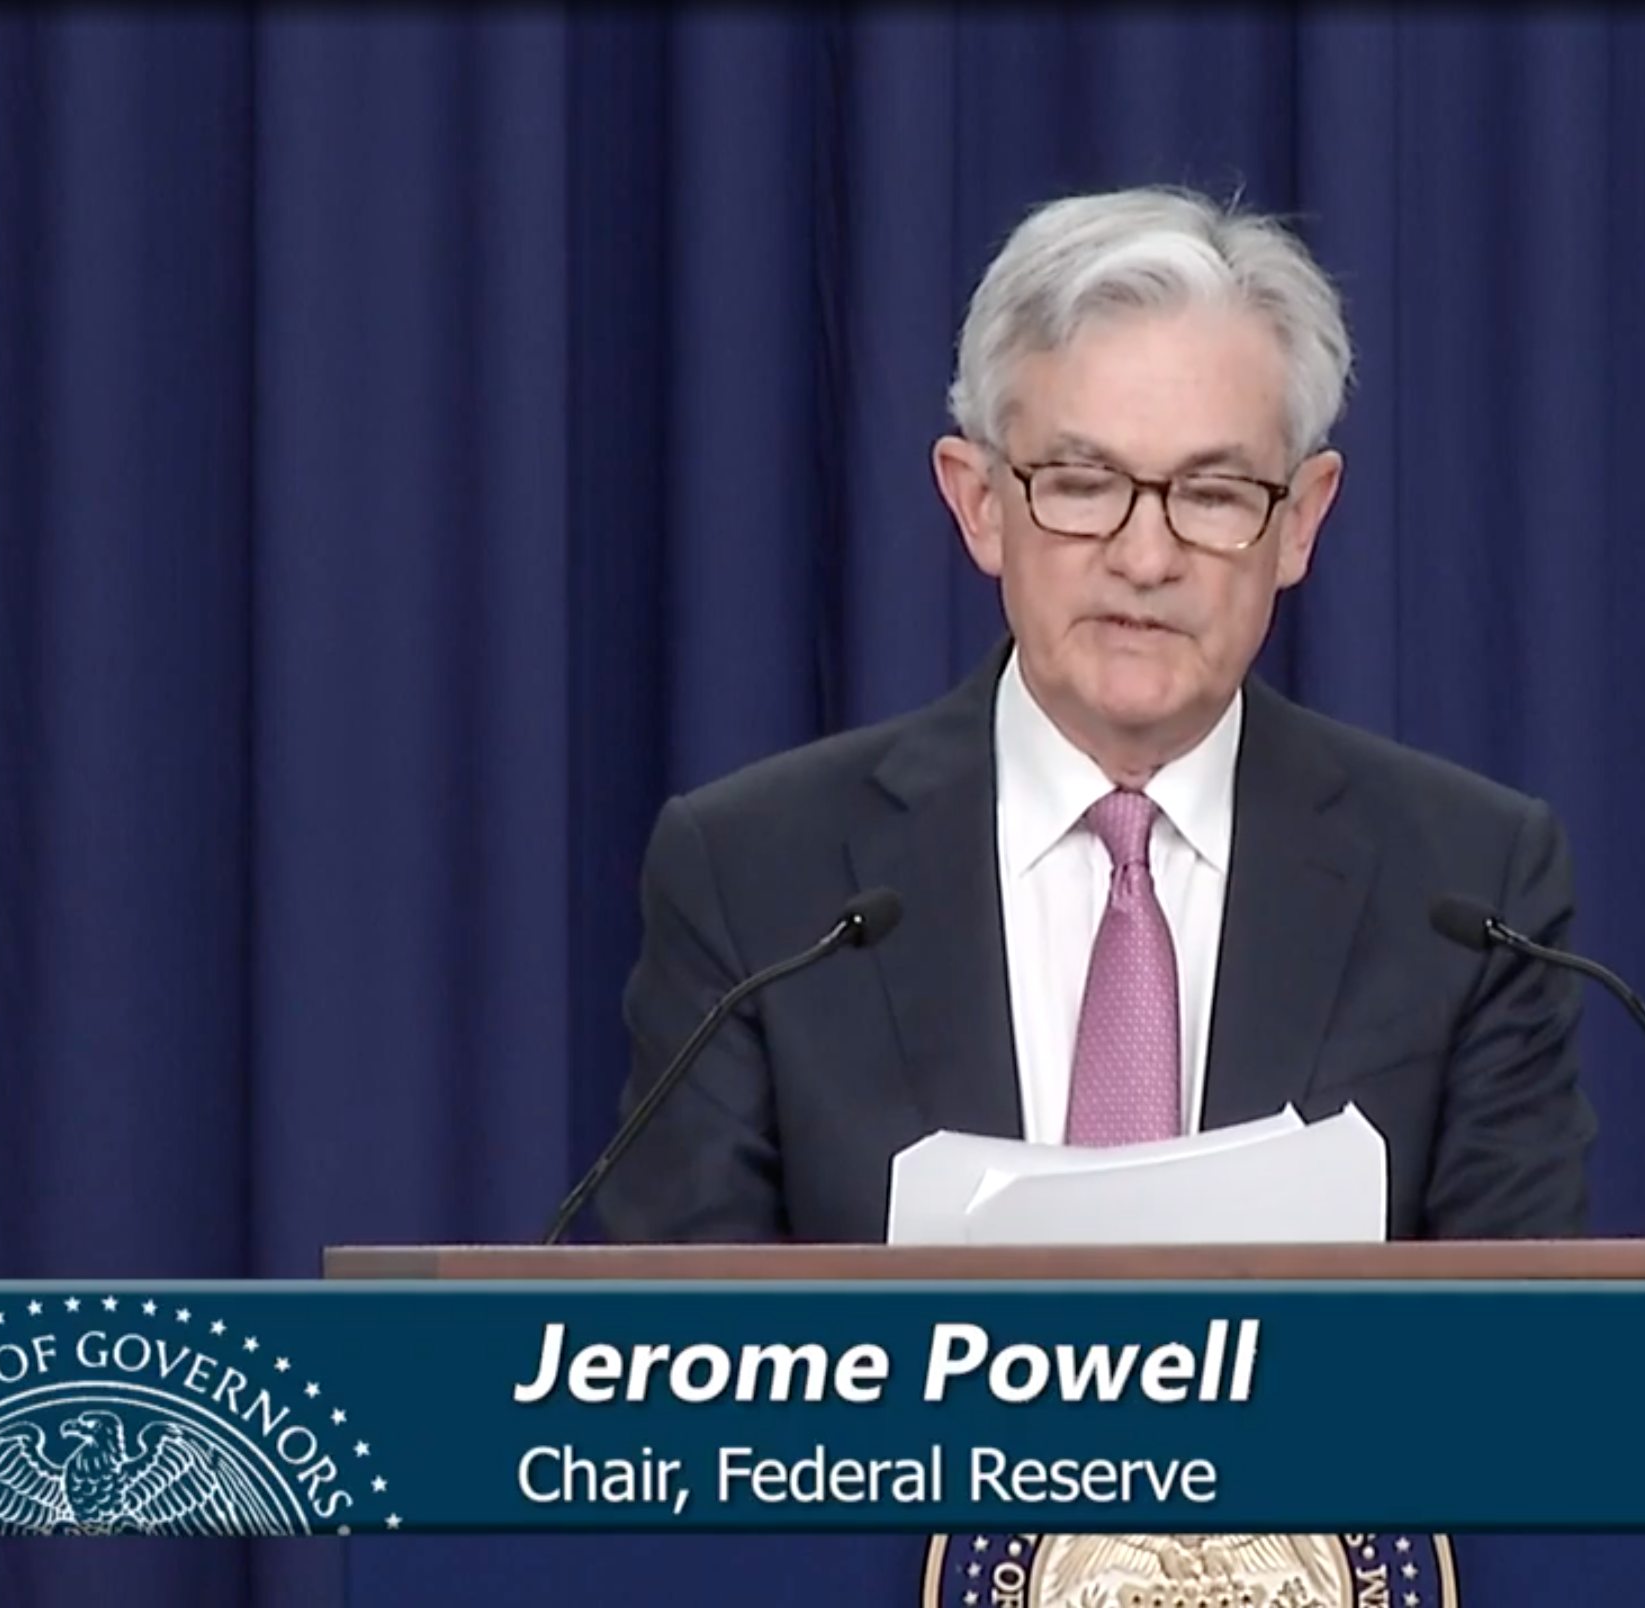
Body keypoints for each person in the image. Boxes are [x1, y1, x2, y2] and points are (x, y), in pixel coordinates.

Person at [596, 184, 1594, 1244]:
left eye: (1212, 494)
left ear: (1300, 522)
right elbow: (682, 1322)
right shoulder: (758, 881)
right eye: (1081, 484)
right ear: (979, 502)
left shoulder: (1466, 890)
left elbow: (1520, 1323)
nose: (1145, 557)